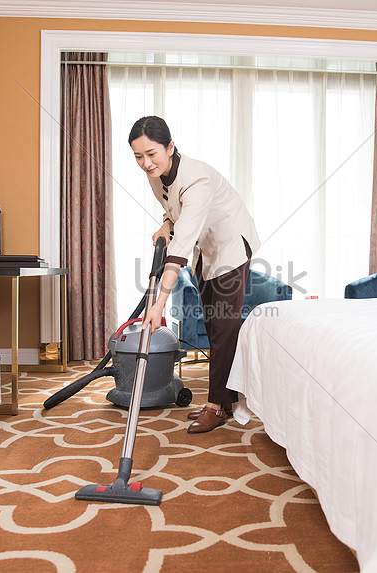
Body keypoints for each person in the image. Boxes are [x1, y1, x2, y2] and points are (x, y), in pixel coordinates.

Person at [129, 116, 260, 434]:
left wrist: (158, 303)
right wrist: (165, 222)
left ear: (170, 147)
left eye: (152, 153)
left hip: (230, 248)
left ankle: (216, 407)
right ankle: (226, 402)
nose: (146, 163)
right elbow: (175, 209)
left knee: (223, 330)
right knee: (214, 324)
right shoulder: (155, 173)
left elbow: (181, 244)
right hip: (207, 250)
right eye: (138, 156)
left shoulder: (197, 179)